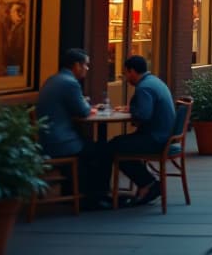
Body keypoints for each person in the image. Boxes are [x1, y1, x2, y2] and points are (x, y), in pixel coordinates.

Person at [102, 56, 176, 207]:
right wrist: (131, 109)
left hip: (155, 139)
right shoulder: (155, 81)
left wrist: (132, 111)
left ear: (132, 71)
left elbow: (144, 115)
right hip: (164, 136)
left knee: (113, 147)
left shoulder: (144, 88)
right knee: (119, 144)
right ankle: (146, 183)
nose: (126, 77)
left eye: (126, 73)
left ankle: (147, 184)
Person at [36, 48, 107, 203]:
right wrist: (87, 105)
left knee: (92, 147)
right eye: (86, 65)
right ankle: (94, 198)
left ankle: (78, 193)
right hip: (61, 143)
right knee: (104, 151)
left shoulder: (53, 79)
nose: (87, 69)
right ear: (76, 65)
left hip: (45, 141)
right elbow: (83, 111)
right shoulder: (70, 83)